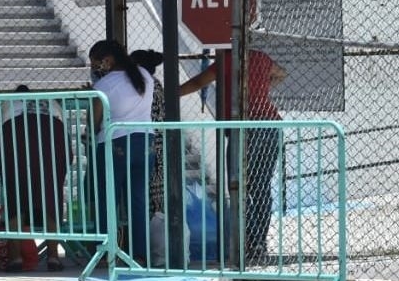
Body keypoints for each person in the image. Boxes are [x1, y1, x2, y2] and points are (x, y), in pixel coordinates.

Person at [178, 49, 286, 262]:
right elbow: (281, 73)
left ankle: (249, 239)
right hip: (270, 125)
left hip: (245, 128)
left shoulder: (227, 58)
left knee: (239, 186)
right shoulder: (260, 57)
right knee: (261, 187)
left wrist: (171, 92)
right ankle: (257, 242)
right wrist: (260, 90)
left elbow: (199, 82)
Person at [87, 40, 154, 264]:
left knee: (108, 200)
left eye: (96, 62)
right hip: (145, 142)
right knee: (138, 200)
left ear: (108, 59)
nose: (96, 67)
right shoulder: (144, 74)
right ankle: (140, 254)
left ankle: (108, 252)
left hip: (114, 143)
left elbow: (94, 122)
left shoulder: (103, 86)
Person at [0, 84, 68, 272]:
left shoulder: (8, 104)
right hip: (51, 139)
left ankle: (16, 258)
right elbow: (65, 138)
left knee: (15, 198)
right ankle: (53, 257)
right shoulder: (51, 103)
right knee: (51, 199)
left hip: (16, 138)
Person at [128, 49, 169, 216]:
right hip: (158, 144)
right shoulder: (156, 83)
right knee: (156, 195)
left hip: (146, 144)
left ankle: (146, 232)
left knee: (143, 193)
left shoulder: (139, 85)